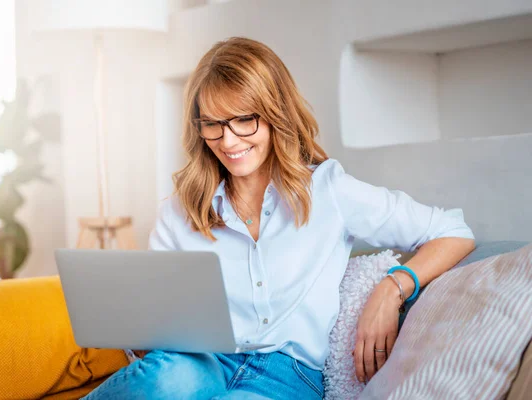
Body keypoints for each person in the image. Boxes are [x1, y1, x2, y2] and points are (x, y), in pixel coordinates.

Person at [82, 37, 475, 400]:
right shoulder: (179, 210)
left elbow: (453, 232)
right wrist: (140, 334)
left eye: (244, 120)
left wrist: (392, 289)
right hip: (199, 362)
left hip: (287, 376)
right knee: (167, 380)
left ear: (275, 114)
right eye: (213, 124)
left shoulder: (329, 190)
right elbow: (154, 323)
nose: (229, 141)